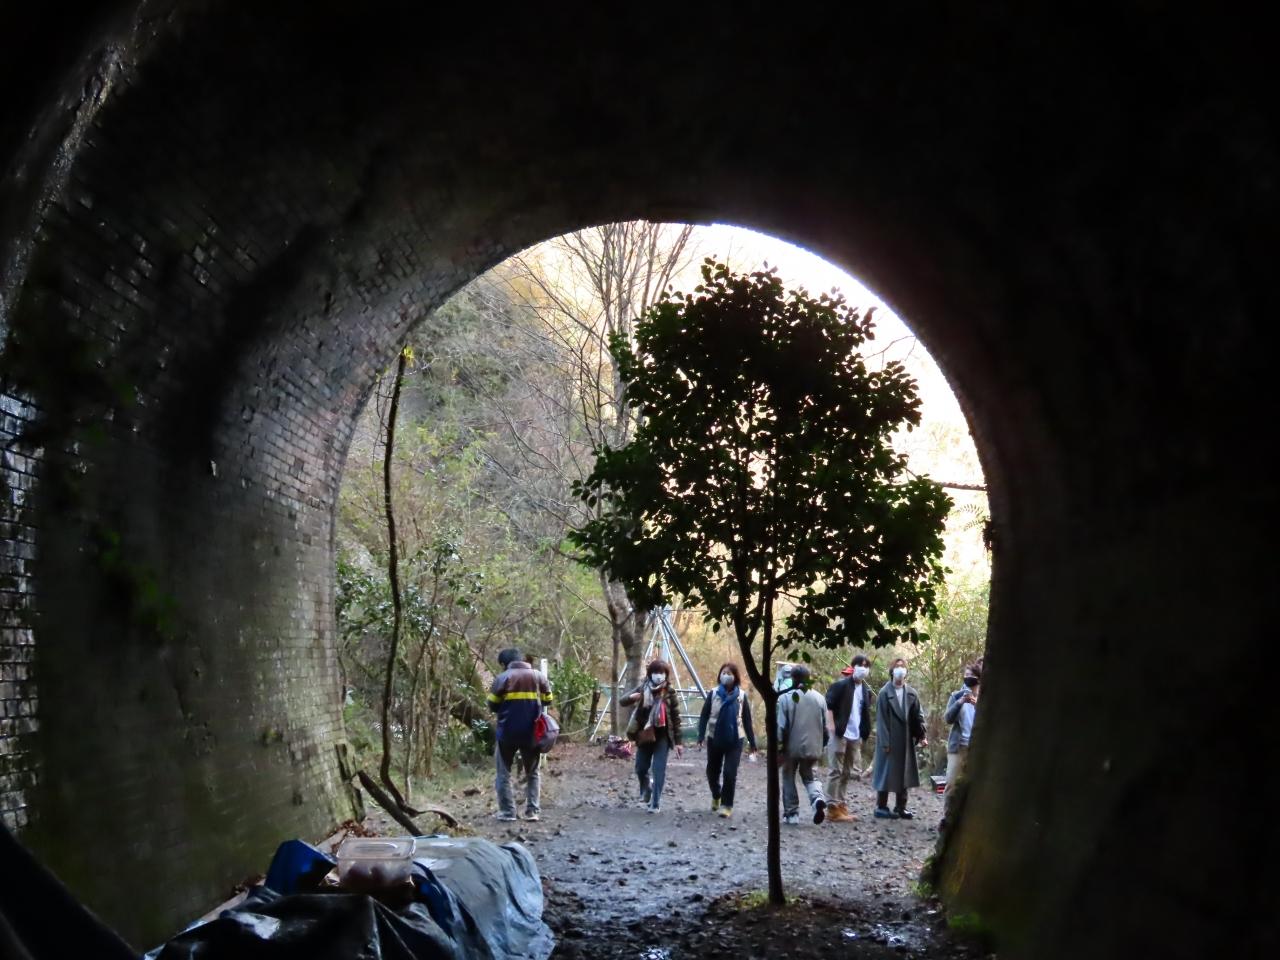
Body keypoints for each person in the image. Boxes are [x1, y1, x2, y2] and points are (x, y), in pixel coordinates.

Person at [487, 647, 554, 822]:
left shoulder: (502, 678)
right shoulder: (539, 676)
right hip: (532, 733)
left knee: (503, 773)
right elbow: (548, 700)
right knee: (532, 773)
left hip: (507, 733)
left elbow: (492, 705)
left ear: (504, 663)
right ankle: (532, 811)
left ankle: (508, 812)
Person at [621, 659, 684, 813]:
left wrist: (678, 742)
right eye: (655, 672)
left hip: (663, 736)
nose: (658, 676)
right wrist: (632, 697)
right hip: (645, 734)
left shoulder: (670, 692)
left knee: (658, 769)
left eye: (662, 673)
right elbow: (622, 701)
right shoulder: (643, 688)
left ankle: (655, 803)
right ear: (650, 674)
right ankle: (646, 788)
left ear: (666, 675)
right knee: (640, 768)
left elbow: (676, 718)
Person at [697, 662, 758, 817]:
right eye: (723, 672)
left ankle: (727, 805)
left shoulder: (741, 696)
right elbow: (704, 715)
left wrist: (752, 742)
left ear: (735, 677)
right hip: (714, 737)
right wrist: (700, 735)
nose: (726, 675)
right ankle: (716, 794)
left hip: (735, 739)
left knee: (730, 773)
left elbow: (747, 720)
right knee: (712, 772)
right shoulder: (713, 693)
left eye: (729, 673)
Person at [871, 656, 927, 819]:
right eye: (897, 666)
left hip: (906, 739)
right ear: (892, 671)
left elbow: (918, 716)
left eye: (903, 667)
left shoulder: (912, 693)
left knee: (904, 772)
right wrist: (885, 742)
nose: (900, 670)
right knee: (885, 772)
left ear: (906, 671)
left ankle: (901, 807)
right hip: (889, 739)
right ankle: (881, 806)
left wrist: (922, 735)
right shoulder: (884, 693)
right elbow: (881, 720)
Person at [777, 663, 828, 825]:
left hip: (791, 748)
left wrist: (779, 748)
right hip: (814, 746)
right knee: (809, 775)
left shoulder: (786, 698)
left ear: (793, 678)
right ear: (808, 678)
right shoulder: (819, 698)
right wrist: (822, 745)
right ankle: (817, 798)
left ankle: (792, 813)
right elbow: (825, 726)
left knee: (788, 776)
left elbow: (781, 726)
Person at [824, 654, 872, 822]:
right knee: (835, 770)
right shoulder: (841, 685)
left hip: (855, 735)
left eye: (866, 666)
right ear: (853, 667)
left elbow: (863, 713)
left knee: (847, 772)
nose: (863, 669)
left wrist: (864, 733)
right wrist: (831, 725)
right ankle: (831, 808)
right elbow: (829, 704)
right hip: (840, 732)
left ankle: (841, 804)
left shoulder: (865, 691)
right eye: (860, 665)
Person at [939, 661, 981, 829]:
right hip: (958, 746)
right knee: (951, 783)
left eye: (972, 675)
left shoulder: (984, 698)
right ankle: (947, 819)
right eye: (966, 675)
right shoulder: (956, 695)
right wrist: (960, 702)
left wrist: (977, 704)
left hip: (975, 749)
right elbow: (948, 718)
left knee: (972, 786)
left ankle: (966, 822)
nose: (968, 678)